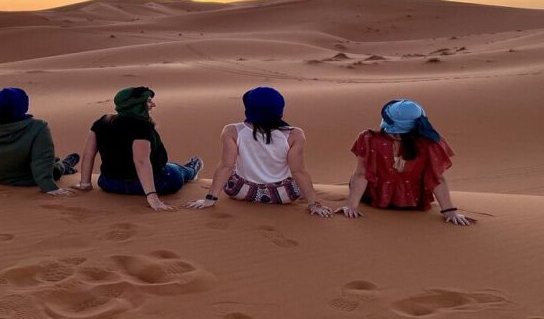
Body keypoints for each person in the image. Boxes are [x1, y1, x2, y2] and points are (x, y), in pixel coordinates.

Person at [186, 86, 333, 217]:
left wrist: (210, 199)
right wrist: (314, 204)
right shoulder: (295, 134)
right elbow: (298, 171)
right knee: (294, 174)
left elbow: (226, 166)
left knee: (232, 167)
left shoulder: (232, 131)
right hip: (283, 195)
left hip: (241, 192)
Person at [335, 99, 472, 226]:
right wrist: (351, 206)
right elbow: (361, 174)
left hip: (406, 204)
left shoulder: (428, 144)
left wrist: (449, 211)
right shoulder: (370, 139)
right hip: (377, 199)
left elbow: (437, 179)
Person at [74, 86, 202, 211]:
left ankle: (187, 169)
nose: (153, 104)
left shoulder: (103, 121)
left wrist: (85, 184)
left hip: (110, 183)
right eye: (148, 101)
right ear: (136, 105)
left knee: (169, 167)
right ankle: (192, 169)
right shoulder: (142, 128)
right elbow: (141, 162)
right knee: (176, 168)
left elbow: (88, 153)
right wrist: (153, 198)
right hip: (159, 184)